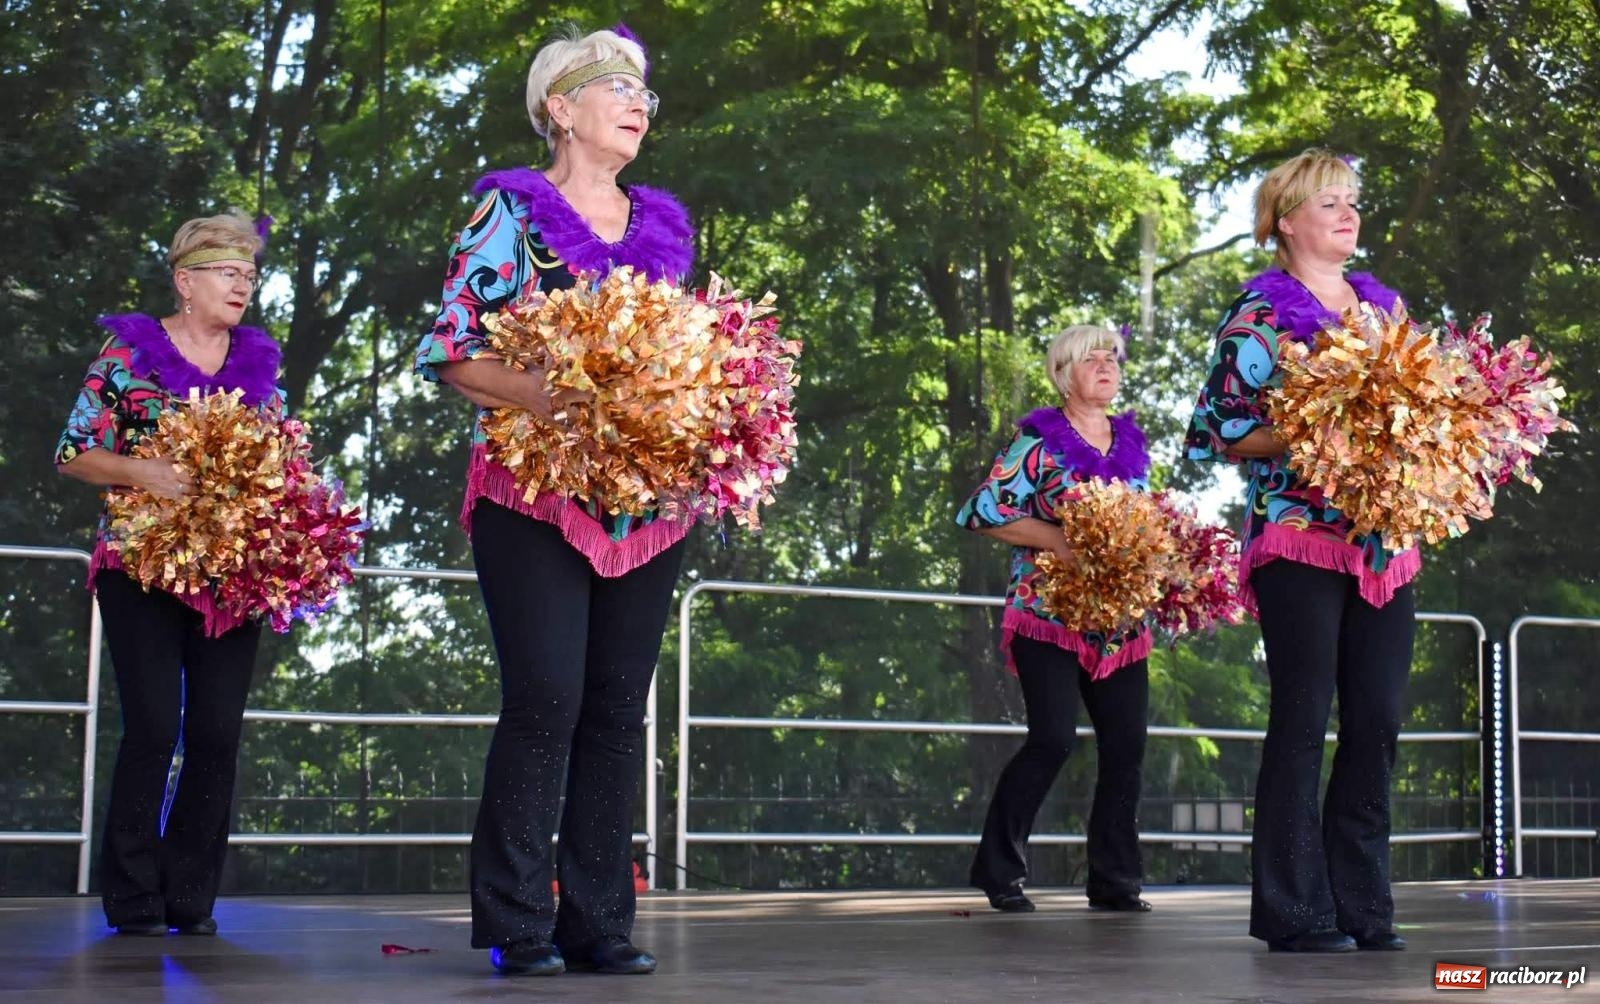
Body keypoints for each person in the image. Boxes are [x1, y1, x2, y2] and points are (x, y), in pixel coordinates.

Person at [414, 24, 693, 977]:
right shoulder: (511, 214)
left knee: (618, 709)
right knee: (546, 698)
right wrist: (556, 397)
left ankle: (600, 922)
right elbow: (452, 348)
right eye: (617, 88)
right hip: (532, 495)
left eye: (646, 95)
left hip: (647, 507)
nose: (638, 104)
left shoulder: (663, 231)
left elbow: (684, 374)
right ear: (560, 110)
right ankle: (519, 919)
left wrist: (697, 437)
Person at [1185, 149, 1417, 953]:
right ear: (1286, 221)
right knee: (1304, 713)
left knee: (1379, 718)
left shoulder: (1387, 313)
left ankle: (1363, 906)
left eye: (1353, 200)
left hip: (1383, 542)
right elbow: (1219, 428)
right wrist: (1314, 432)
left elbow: (1424, 411)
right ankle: (1295, 911)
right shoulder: (1259, 315)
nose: (1348, 214)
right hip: (1296, 536)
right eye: (1328, 203)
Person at [55, 210, 278, 936]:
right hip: (139, 565)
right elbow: (74, 452)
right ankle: (133, 896)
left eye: (249, 274)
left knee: (216, 732)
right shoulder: (126, 355)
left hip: (231, 573)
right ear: (185, 282)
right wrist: (141, 471)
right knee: (153, 725)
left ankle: (191, 896)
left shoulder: (261, 368)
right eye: (227, 272)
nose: (241, 284)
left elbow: (281, 468)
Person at [958, 325, 1154, 916]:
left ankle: (1115, 881)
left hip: (1118, 618)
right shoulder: (1037, 440)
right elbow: (981, 511)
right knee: (1052, 739)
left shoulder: (1132, 440)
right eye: (1089, 359)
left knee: (1127, 747)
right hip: (1048, 610)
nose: (1105, 366)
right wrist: (1064, 544)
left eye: (1111, 357)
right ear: (1063, 375)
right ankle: (1000, 870)